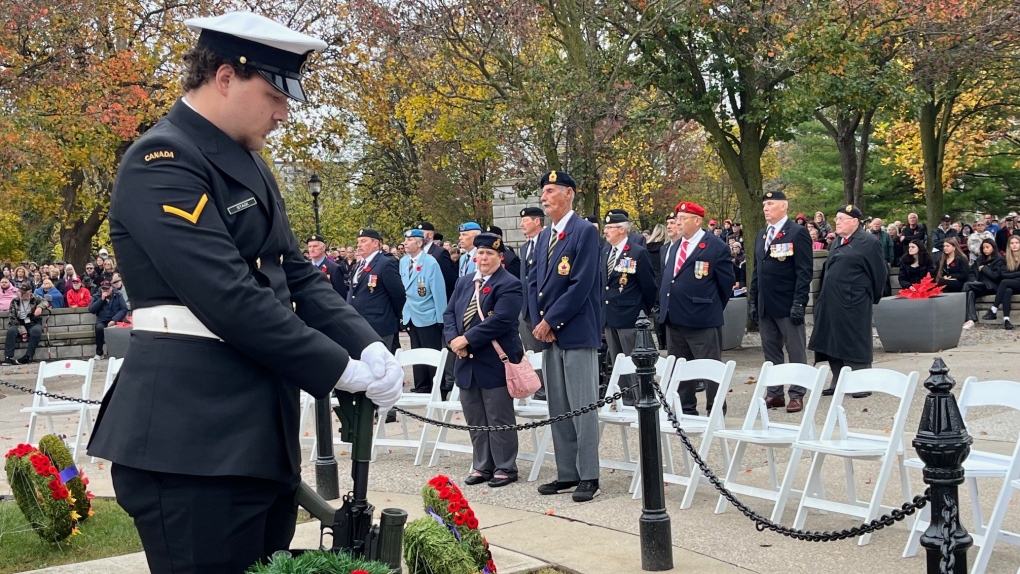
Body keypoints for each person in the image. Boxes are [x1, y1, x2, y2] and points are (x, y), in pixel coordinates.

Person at [85, 13, 405, 574]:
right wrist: (337, 368)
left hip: (256, 438)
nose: (284, 113)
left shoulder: (248, 163)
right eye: (273, 95)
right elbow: (227, 294)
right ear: (227, 77)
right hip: (191, 440)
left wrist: (367, 342)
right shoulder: (163, 160)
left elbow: (297, 274)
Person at [526, 170, 602, 502]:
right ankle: (567, 472)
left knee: (582, 405)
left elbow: (581, 285)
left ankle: (589, 474)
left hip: (575, 330)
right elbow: (534, 282)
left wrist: (551, 321)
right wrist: (537, 319)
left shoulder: (583, 232)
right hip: (549, 333)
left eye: (551, 190)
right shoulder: (543, 237)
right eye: (543, 191)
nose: (544, 197)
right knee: (558, 404)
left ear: (569, 194)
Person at [444, 232, 523, 488]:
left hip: (494, 360)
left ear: (500, 257)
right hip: (466, 361)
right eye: (480, 253)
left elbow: (500, 320)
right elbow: (449, 314)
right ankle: (482, 466)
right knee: (475, 417)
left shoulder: (509, 283)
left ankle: (505, 467)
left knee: (498, 416)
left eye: (489, 253)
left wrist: (467, 339)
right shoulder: (465, 282)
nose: (484, 258)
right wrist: (454, 341)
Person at [659, 201, 734, 415]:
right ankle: (686, 408)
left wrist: (709, 307)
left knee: (709, 367)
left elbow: (725, 284)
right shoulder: (675, 246)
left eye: (683, 218)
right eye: (677, 218)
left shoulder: (714, 245)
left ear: (697, 220)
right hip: (674, 317)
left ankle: (716, 408)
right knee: (680, 367)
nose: (678, 222)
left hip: (702, 317)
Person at [809, 205, 887, 398]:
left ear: (854, 221)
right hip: (831, 300)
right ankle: (838, 380)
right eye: (836, 218)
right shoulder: (837, 241)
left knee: (854, 339)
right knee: (832, 339)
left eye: (842, 218)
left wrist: (870, 297)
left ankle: (861, 382)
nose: (837, 221)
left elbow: (879, 273)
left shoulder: (868, 242)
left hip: (854, 300)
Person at [748, 191, 812, 413]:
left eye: (770, 204)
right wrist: (753, 301)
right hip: (767, 303)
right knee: (771, 351)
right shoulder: (762, 235)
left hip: (787, 302)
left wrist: (799, 303)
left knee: (795, 351)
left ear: (784, 206)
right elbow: (758, 269)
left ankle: (797, 394)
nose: (766, 208)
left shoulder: (797, 233)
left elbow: (804, 272)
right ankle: (775, 393)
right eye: (764, 204)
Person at [600, 210, 656, 406]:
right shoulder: (606, 251)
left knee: (634, 363)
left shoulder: (637, 252)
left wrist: (641, 312)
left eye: (609, 227)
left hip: (631, 317)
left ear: (622, 230)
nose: (605, 231)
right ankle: (626, 399)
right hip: (609, 316)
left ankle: (642, 398)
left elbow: (649, 287)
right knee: (618, 363)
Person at [400, 228, 448, 393]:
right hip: (411, 313)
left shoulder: (430, 262)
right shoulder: (403, 262)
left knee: (431, 352)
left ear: (420, 243)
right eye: (405, 240)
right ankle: (422, 385)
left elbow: (438, 292)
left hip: (428, 314)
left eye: (410, 240)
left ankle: (437, 386)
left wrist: (441, 319)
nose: (405, 243)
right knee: (416, 351)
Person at [348, 228, 406, 351]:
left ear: (376, 243)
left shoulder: (385, 263)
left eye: (363, 241)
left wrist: (390, 316)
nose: (359, 245)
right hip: (359, 325)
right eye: (358, 242)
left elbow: (398, 294)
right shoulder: (359, 264)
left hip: (379, 325)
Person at [962, 239, 1004, 329]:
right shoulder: (979, 259)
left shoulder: (999, 259)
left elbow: (996, 276)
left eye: (987, 247)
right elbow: (971, 272)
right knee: (970, 293)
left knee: (967, 285)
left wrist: (984, 268)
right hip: (980, 284)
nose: (985, 249)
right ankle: (971, 320)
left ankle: (960, 314)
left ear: (993, 247)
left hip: (992, 286)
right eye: (983, 248)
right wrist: (973, 280)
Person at [3, 284, 46, 365]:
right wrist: (21, 329)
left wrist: (40, 307)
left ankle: (27, 356)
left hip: (33, 322)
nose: (21, 294)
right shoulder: (15, 301)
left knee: (36, 331)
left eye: (23, 293)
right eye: (20, 292)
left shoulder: (36, 298)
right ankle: (8, 357)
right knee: (11, 331)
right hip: (18, 323)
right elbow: (12, 317)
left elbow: (45, 302)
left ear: (29, 292)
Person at [985, 235, 1020, 330]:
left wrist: (1013, 276)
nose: (1014, 245)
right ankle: (1006, 320)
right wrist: (1017, 275)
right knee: (1007, 290)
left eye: (1017, 243)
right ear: (1009, 245)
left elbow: (1006, 277)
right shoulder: (1005, 259)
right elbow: (1004, 274)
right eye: (1012, 243)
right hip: (1013, 284)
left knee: (1005, 282)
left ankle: (994, 309)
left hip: (1015, 283)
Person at [87, 279, 127, 358]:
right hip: (102, 320)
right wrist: (101, 300)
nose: (105, 290)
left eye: (107, 288)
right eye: (103, 289)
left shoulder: (118, 295)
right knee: (99, 328)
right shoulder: (97, 296)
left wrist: (114, 320)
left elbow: (124, 309)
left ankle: (113, 353)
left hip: (115, 320)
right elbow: (91, 310)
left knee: (114, 329)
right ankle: (99, 353)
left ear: (111, 288)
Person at [417, 221, 457, 297]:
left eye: (421, 233)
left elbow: (449, 280)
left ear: (431, 235)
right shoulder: (418, 253)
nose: (418, 236)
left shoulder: (440, 253)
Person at [307, 234, 348, 299]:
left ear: (323, 247)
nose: (312, 249)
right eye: (309, 247)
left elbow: (340, 295)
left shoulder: (334, 268)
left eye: (315, 246)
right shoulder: (305, 267)